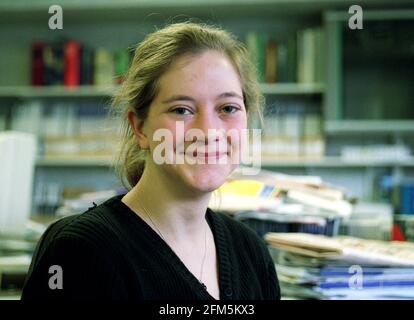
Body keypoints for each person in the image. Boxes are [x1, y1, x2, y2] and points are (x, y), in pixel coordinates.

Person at [21, 22, 280, 300]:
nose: (208, 132)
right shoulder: (80, 251)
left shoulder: (251, 251)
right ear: (140, 128)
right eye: (182, 110)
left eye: (228, 108)